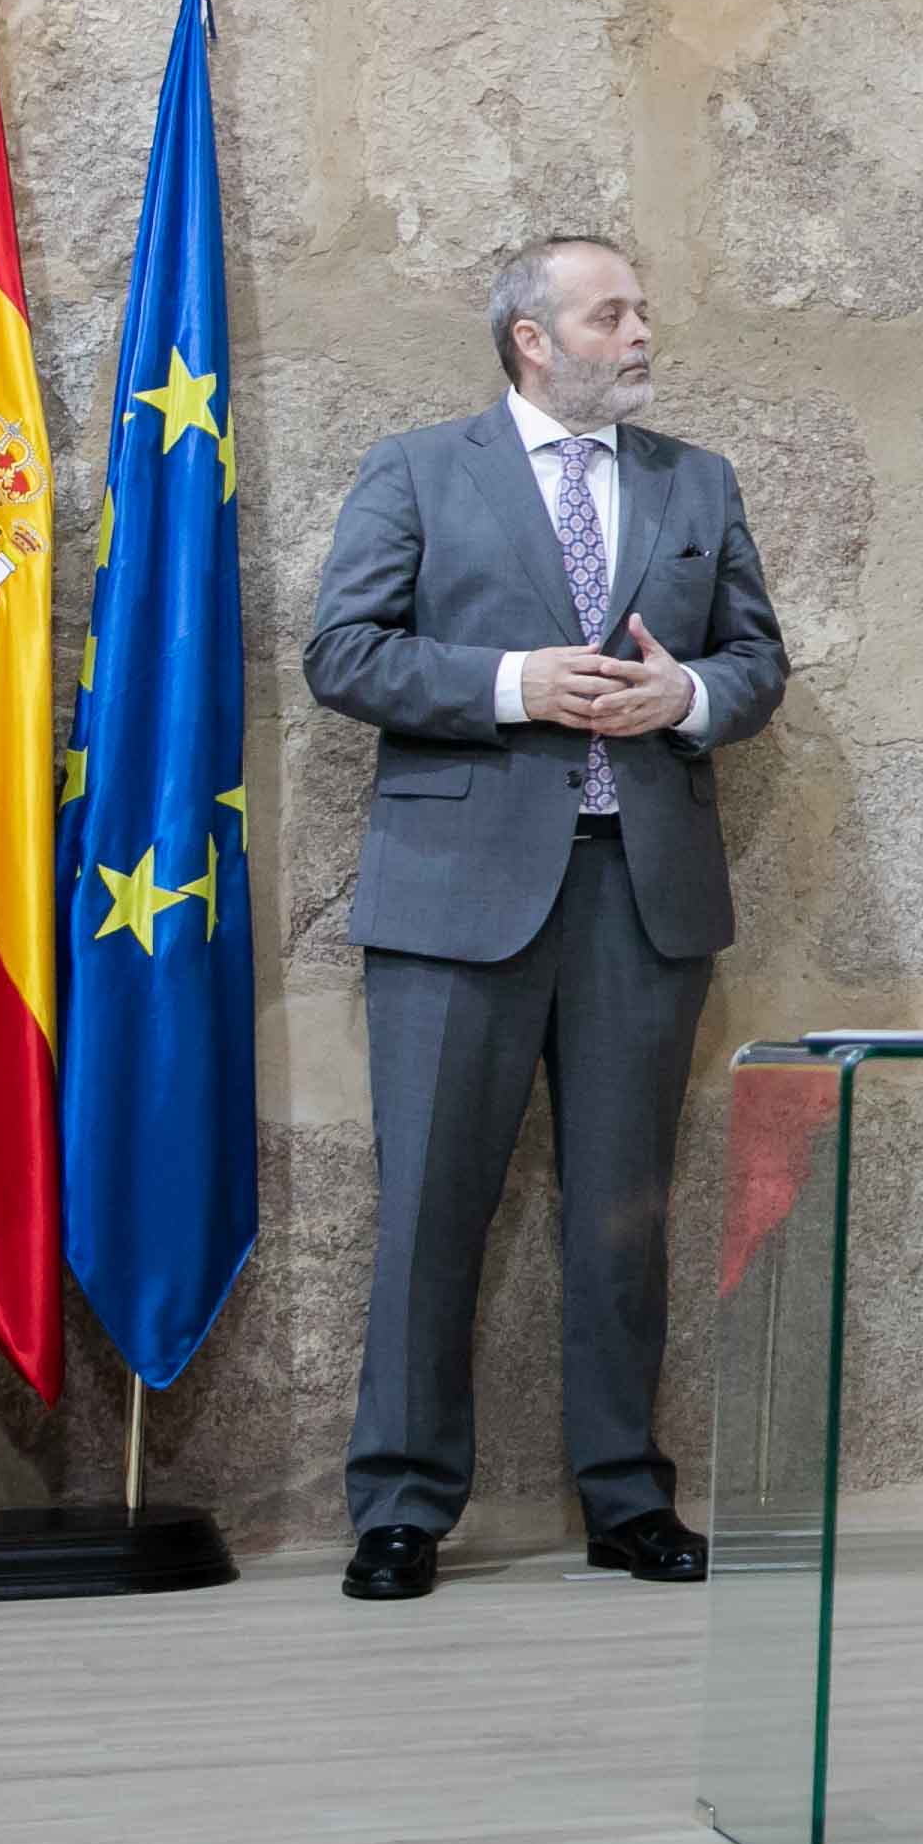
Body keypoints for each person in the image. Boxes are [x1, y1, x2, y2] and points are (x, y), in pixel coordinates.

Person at [305, 237, 788, 1602]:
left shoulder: (698, 481)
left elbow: (758, 659)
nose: (641, 330)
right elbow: (342, 650)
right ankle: (401, 1503)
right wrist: (519, 680)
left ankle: (626, 1495)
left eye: (642, 306)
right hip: (457, 895)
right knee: (429, 1212)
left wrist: (683, 697)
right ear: (533, 337)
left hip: (642, 894)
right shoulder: (417, 468)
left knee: (625, 1211)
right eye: (612, 312)